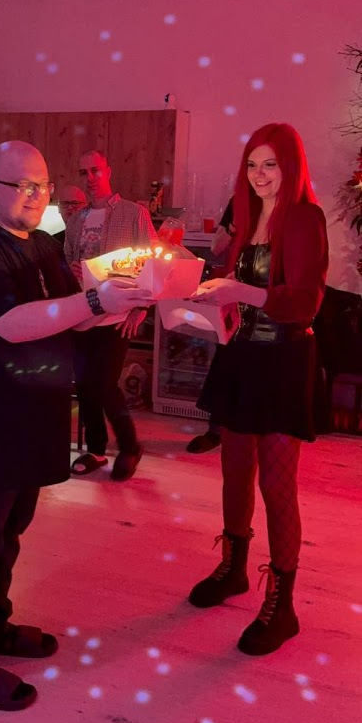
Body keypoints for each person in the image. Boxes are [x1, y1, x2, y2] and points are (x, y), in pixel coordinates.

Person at [0, 141, 149, 711]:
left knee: (9, 530)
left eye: (42, 185)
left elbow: (71, 313)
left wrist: (131, 297)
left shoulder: (43, 244)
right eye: (23, 186)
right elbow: (12, 323)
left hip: (24, 421)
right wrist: (95, 302)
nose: (36, 195)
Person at [187, 123, 328, 656]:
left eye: (270, 164)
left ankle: (282, 604)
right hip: (242, 355)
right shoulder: (247, 215)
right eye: (252, 164)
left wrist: (238, 290)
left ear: (290, 167)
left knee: (276, 483)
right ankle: (235, 569)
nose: (260, 174)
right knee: (234, 471)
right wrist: (213, 302)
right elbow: (239, 293)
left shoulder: (305, 217)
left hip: (284, 359)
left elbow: (306, 301)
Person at [65, 150, 157, 480]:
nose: (90, 178)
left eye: (95, 170)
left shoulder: (134, 214)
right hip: (83, 313)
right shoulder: (76, 220)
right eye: (83, 172)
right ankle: (96, 449)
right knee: (86, 385)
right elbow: (68, 259)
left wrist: (142, 308)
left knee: (104, 384)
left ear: (108, 171)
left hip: (117, 315)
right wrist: (71, 268)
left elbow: (153, 263)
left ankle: (130, 446)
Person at [186, 197, 235, 455]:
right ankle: (216, 430)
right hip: (233, 290)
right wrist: (233, 228)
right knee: (225, 357)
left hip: (265, 293)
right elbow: (216, 247)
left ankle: (253, 433)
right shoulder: (238, 201)